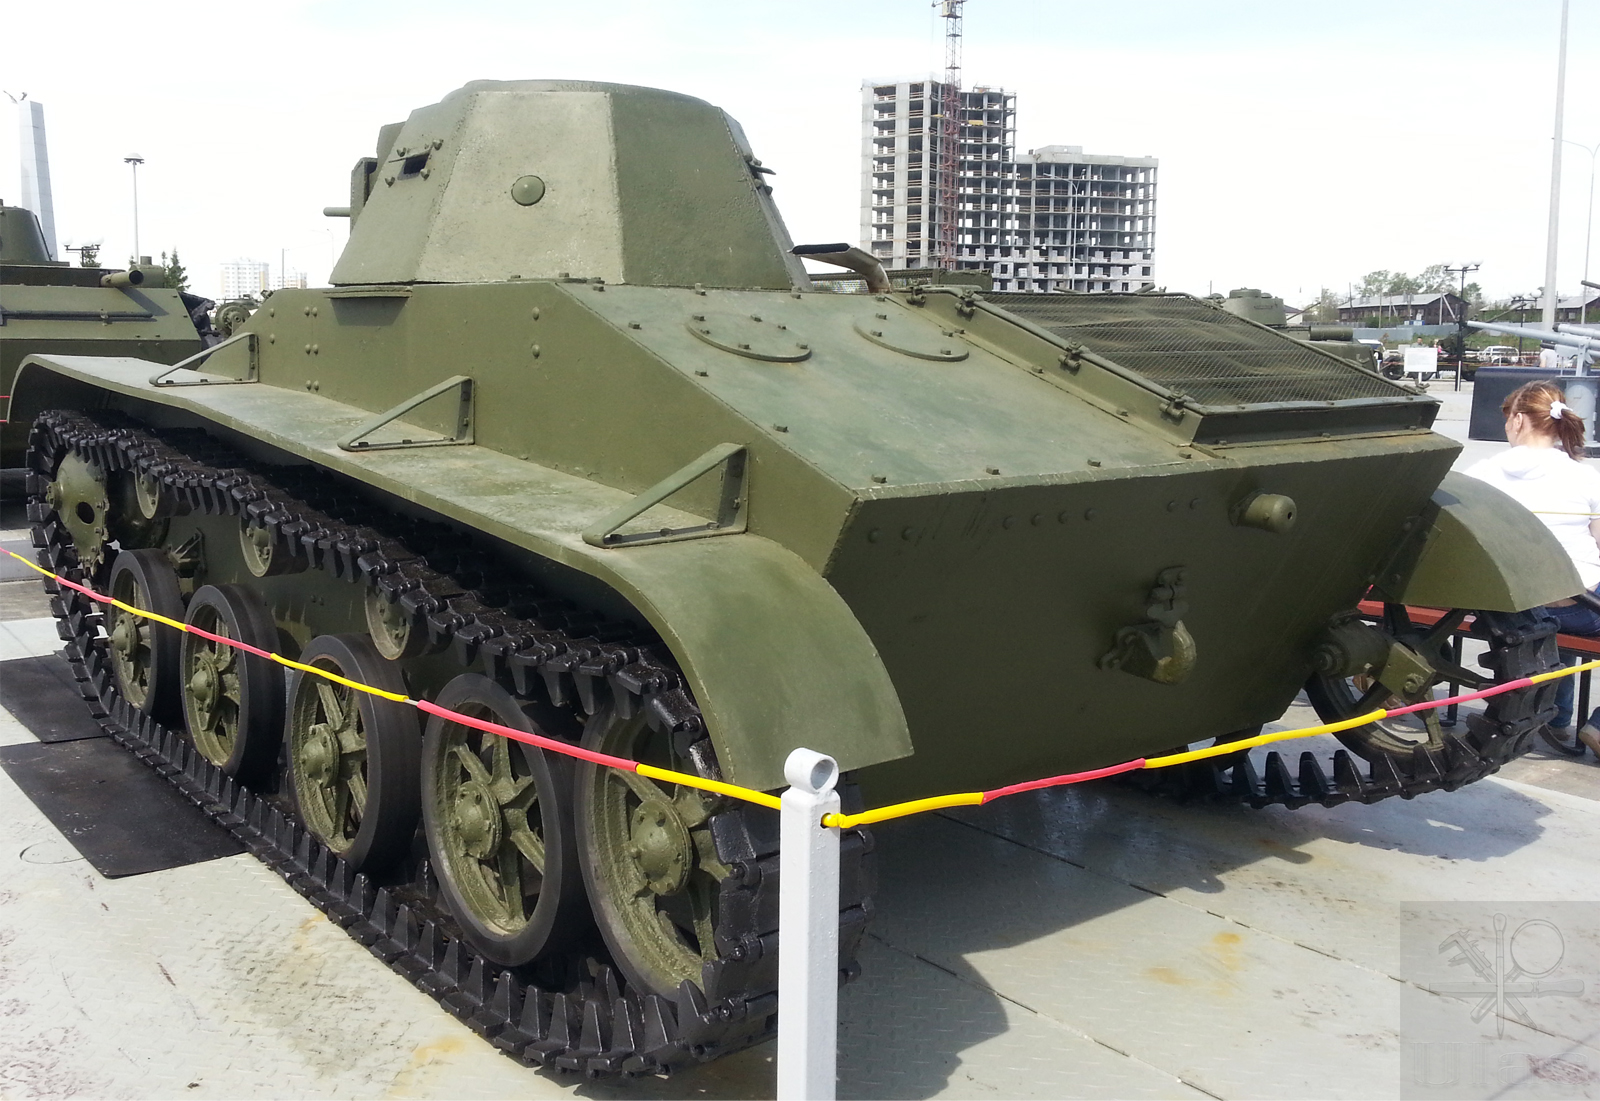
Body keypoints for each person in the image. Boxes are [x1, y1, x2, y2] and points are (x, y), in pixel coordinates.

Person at [1465, 380, 1600, 758]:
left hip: (1508, 606)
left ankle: (1556, 716)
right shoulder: (1584, 476)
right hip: (1576, 608)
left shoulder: (1480, 474)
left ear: (1519, 420)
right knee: (1578, 591)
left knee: (1556, 602)